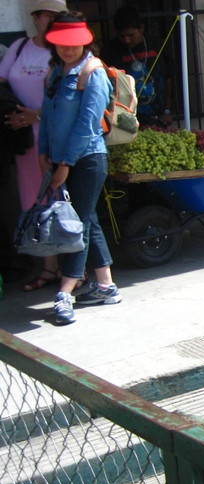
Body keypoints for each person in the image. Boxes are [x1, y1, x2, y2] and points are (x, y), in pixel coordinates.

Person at [39, 12, 122, 325]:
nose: (68, 49)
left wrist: (65, 164)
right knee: (87, 219)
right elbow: (47, 117)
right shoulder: (54, 74)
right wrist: (42, 153)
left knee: (77, 225)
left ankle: (65, 292)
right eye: (61, 43)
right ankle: (106, 285)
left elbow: (88, 125)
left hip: (87, 160)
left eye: (73, 43)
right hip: (60, 160)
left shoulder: (93, 71)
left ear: (85, 41)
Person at [0, 0, 68, 291]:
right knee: (37, 206)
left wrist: (35, 115)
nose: (50, 21)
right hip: (26, 144)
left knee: (63, 204)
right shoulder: (18, 48)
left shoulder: (65, 53)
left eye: (57, 17)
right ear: (35, 18)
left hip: (56, 142)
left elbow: (69, 101)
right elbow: (1, 82)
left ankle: (74, 271)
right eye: (46, 16)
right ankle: (50, 267)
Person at [100, 5, 173, 128]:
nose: (127, 40)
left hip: (157, 116)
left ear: (141, 28)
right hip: (125, 117)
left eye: (131, 35)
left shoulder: (157, 44)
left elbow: (169, 77)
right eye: (122, 36)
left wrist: (167, 110)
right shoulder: (110, 50)